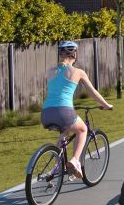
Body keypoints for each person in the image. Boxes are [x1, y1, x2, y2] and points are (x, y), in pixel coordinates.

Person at [41, 41, 113, 179]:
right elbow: (93, 93)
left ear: (61, 53)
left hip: (46, 113)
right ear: (75, 53)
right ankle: (75, 161)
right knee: (82, 130)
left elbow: (57, 91)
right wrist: (106, 105)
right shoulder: (78, 72)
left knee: (65, 132)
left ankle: (56, 167)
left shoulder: (50, 71)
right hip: (64, 111)